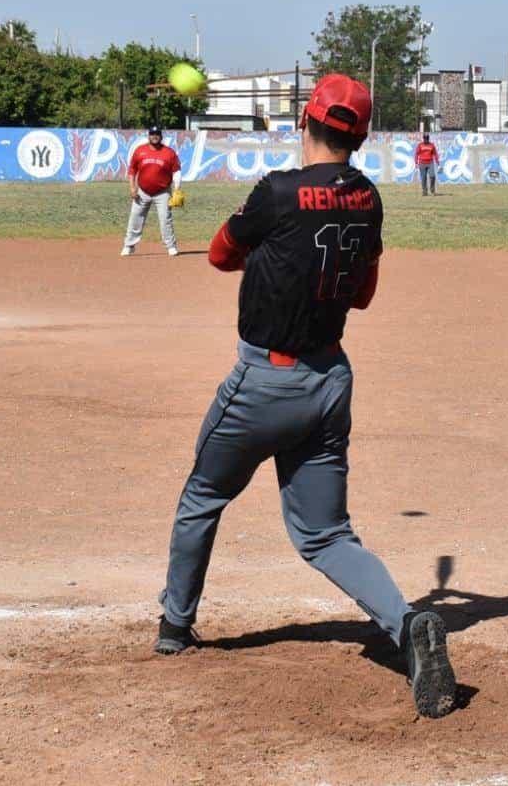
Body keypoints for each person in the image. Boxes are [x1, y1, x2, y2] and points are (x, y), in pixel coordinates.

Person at [154, 73, 457, 719]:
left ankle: (174, 629)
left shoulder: (278, 191)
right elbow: (364, 294)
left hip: (265, 382)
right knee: (324, 534)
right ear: (362, 135)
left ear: (305, 121)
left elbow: (216, 256)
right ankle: (407, 627)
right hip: (329, 382)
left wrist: (272, 251)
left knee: (202, 497)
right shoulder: (369, 198)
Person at [121, 126, 181, 257]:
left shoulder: (169, 153)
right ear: (148, 136)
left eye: (157, 134)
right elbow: (132, 170)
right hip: (142, 191)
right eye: (152, 134)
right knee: (135, 218)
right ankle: (129, 246)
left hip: (163, 192)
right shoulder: (140, 151)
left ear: (161, 136)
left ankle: (171, 246)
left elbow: (176, 171)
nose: (155, 136)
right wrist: (132, 187)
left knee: (165, 219)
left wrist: (177, 189)